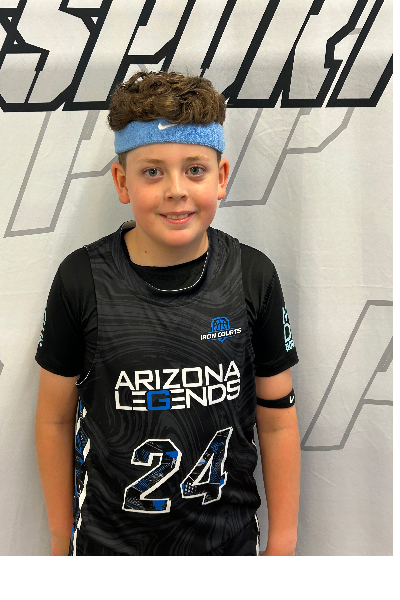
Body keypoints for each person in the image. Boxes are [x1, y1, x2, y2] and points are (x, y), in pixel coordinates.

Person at [35, 70, 301, 557]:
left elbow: (278, 418)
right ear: (122, 181)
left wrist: (283, 540)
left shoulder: (252, 275)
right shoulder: (81, 280)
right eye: (152, 172)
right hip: (107, 543)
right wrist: (58, 536)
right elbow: (54, 419)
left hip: (228, 542)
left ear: (221, 177)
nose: (176, 189)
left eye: (194, 169)